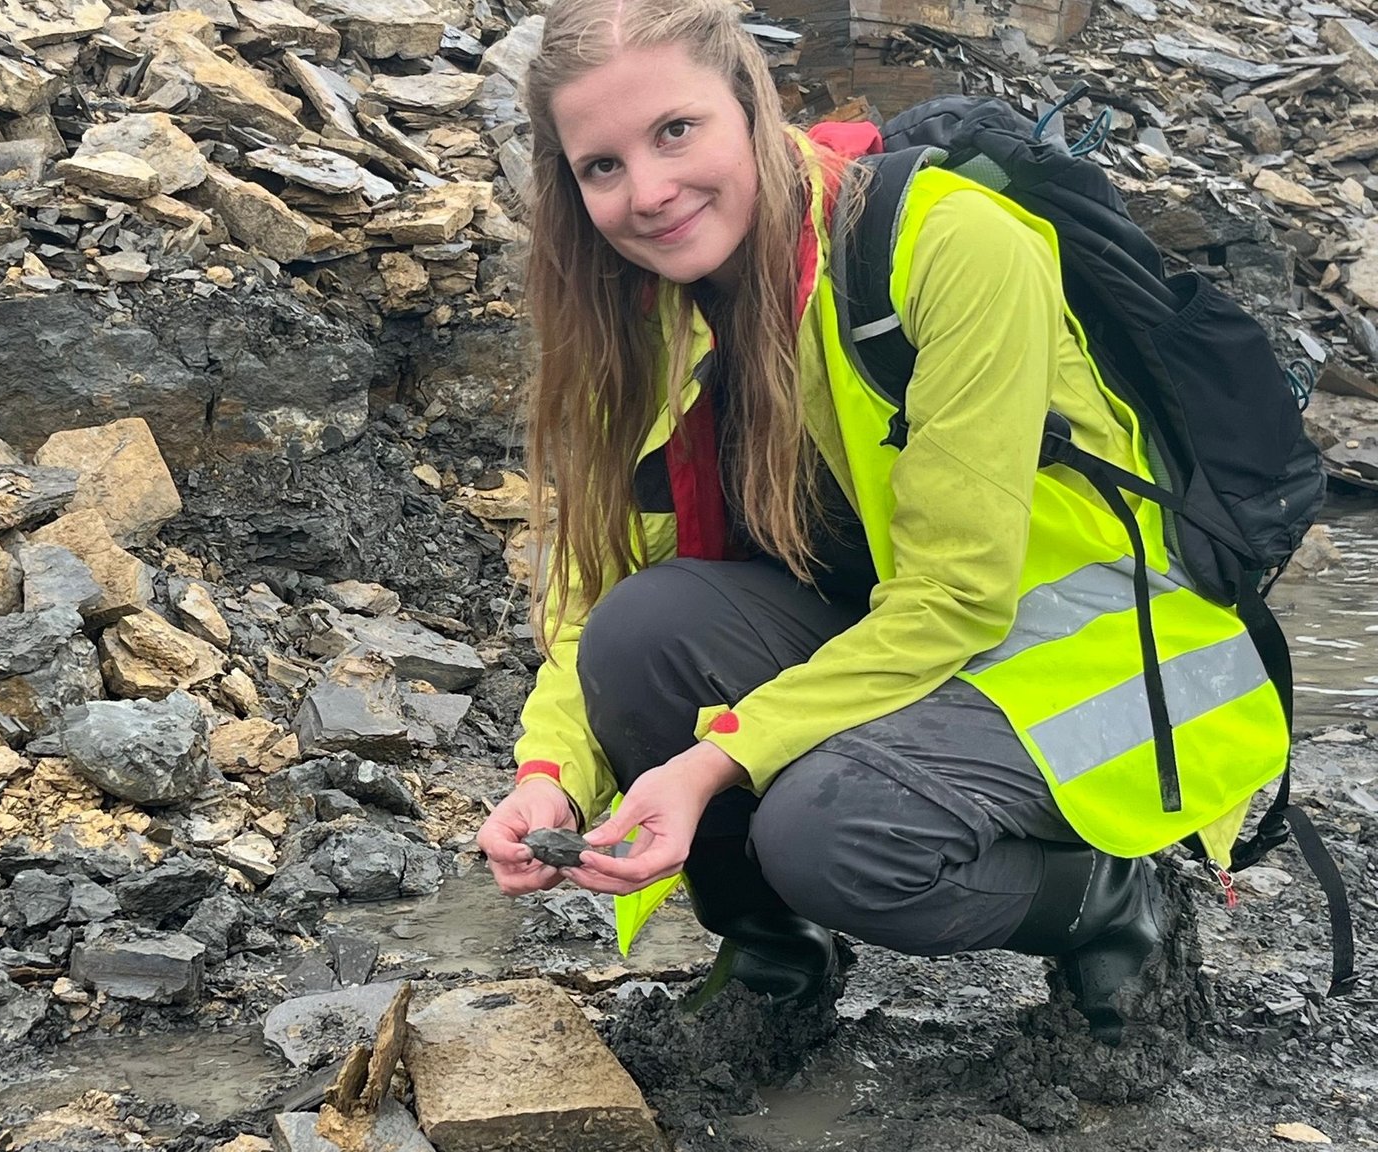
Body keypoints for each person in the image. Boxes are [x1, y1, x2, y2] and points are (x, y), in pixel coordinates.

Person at [475, 0, 1289, 1044]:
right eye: (601, 167)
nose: (649, 193)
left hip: (1110, 669)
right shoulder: (639, 317)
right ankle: (774, 954)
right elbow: (593, 602)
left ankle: (1111, 903)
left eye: (675, 131)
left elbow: (953, 598)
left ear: (749, 101)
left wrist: (715, 759)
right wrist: (548, 778)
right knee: (644, 633)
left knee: (830, 828)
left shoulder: (951, 247)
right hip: (912, 649)